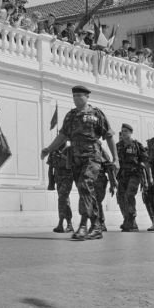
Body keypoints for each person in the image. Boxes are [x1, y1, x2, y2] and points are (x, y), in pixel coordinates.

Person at [41, 85, 118, 241]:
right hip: (76, 159)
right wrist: (48, 149)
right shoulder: (71, 116)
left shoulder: (96, 114)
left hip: (92, 157)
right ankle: (96, 226)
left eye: (80, 96)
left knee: (85, 184)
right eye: (74, 96)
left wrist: (116, 159)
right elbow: (62, 136)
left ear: (87, 97)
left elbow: (109, 136)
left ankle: (83, 225)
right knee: (86, 191)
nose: (77, 99)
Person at [115, 124, 148, 232]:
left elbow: (144, 159)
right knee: (120, 197)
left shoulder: (137, 145)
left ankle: (131, 220)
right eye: (122, 131)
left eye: (125, 131)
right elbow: (116, 161)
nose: (123, 133)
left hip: (134, 175)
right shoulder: (118, 145)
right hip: (122, 175)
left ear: (130, 132)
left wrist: (145, 175)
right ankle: (127, 220)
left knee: (129, 195)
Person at [46, 142, 74, 233]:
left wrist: (63, 157)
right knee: (64, 200)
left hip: (68, 177)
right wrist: (51, 183)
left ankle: (61, 223)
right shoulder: (53, 151)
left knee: (62, 198)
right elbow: (50, 167)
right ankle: (69, 224)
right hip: (58, 179)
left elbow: (74, 164)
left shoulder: (70, 149)